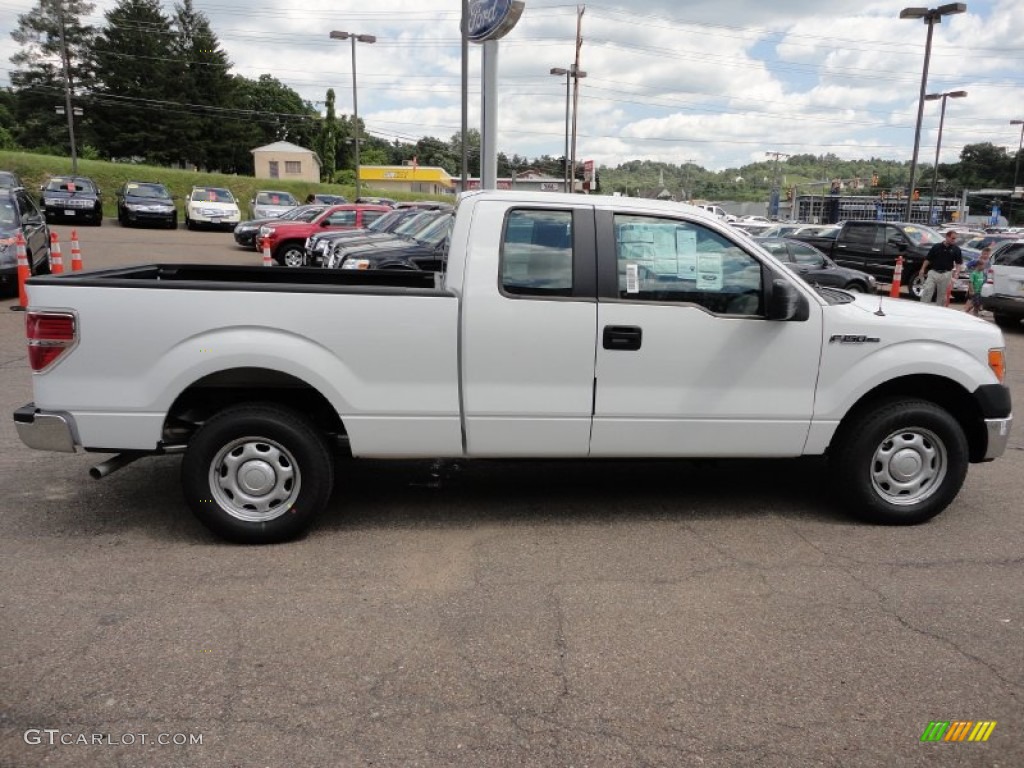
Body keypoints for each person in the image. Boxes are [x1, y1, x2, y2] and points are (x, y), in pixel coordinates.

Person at [919, 230, 963, 306]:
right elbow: (928, 259)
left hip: (946, 274)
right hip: (933, 272)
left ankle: (940, 311)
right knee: (927, 289)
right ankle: (923, 307)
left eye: (955, 239)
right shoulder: (936, 247)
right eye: (952, 238)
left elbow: (958, 263)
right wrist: (922, 269)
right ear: (947, 237)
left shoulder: (956, 249)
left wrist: (957, 273)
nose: (954, 240)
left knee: (942, 295)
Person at [964, 246, 992, 317]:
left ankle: (976, 310)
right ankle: (966, 310)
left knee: (979, 297)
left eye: (987, 254)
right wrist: (972, 271)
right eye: (984, 254)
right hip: (975, 281)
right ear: (981, 253)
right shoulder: (976, 261)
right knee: (971, 297)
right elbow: (967, 266)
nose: (985, 256)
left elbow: (990, 270)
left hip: (983, 281)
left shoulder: (989, 262)